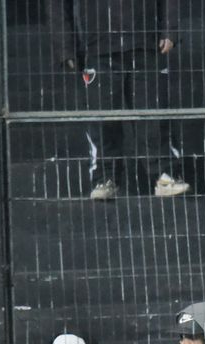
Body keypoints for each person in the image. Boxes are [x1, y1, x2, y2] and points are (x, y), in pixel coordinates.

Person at [78, 0, 187, 199]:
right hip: (99, 43)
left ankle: (165, 175)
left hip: (143, 40)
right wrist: (64, 47)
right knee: (103, 116)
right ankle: (105, 178)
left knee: (153, 112)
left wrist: (170, 30)